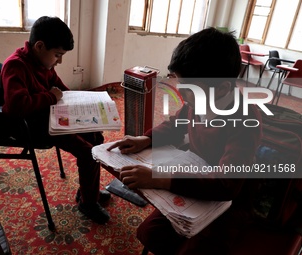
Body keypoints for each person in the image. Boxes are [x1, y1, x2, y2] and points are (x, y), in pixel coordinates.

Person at [107, 27, 262, 254]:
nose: (182, 95)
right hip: (193, 178)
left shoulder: (245, 120)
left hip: (227, 204)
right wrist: (145, 138)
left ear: (223, 88)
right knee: (149, 233)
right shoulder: (198, 101)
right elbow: (174, 124)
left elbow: (226, 185)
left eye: (188, 89)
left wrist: (160, 179)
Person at [0, 16, 110, 225]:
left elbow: (61, 90)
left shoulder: (43, 64)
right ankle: (88, 203)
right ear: (40, 46)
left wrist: (83, 104)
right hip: (33, 127)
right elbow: (16, 107)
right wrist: (51, 97)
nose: (59, 61)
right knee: (88, 153)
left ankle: (88, 190)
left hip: (52, 119)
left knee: (96, 136)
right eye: (57, 55)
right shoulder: (15, 66)